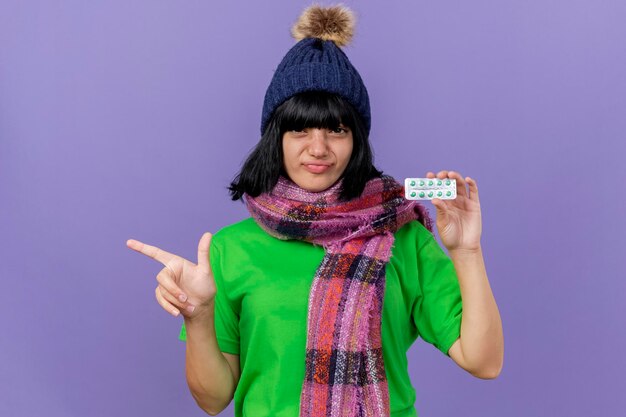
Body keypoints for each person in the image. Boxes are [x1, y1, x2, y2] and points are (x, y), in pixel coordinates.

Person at [126, 4, 504, 417]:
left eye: (337, 130)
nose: (318, 148)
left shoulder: (405, 237)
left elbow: (483, 361)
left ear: (356, 140)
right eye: (299, 129)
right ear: (276, 138)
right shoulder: (229, 249)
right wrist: (197, 316)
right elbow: (213, 399)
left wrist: (467, 251)